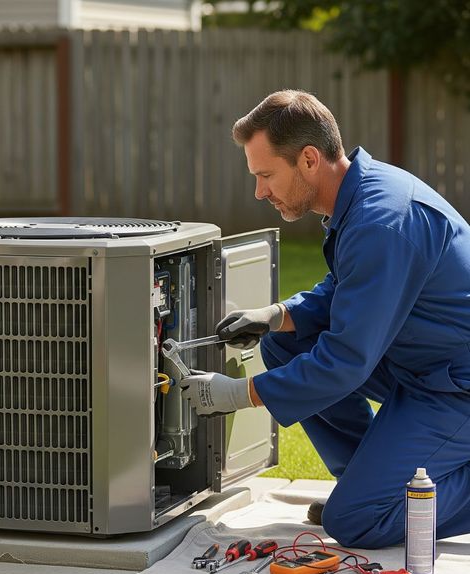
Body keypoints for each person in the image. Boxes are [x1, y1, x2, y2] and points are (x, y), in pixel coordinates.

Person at [180, 89, 470, 549]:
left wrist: (234, 394)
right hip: (420, 362)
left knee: (355, 521)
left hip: (454, 387)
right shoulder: (361, 197)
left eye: (266, 175)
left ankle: (369, 500)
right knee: (282, 342)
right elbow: (346, 290)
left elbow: (345, 362)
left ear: (309, 160)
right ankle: (365, 480)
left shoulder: (382, 221)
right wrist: (276, 315)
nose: (260, 192)